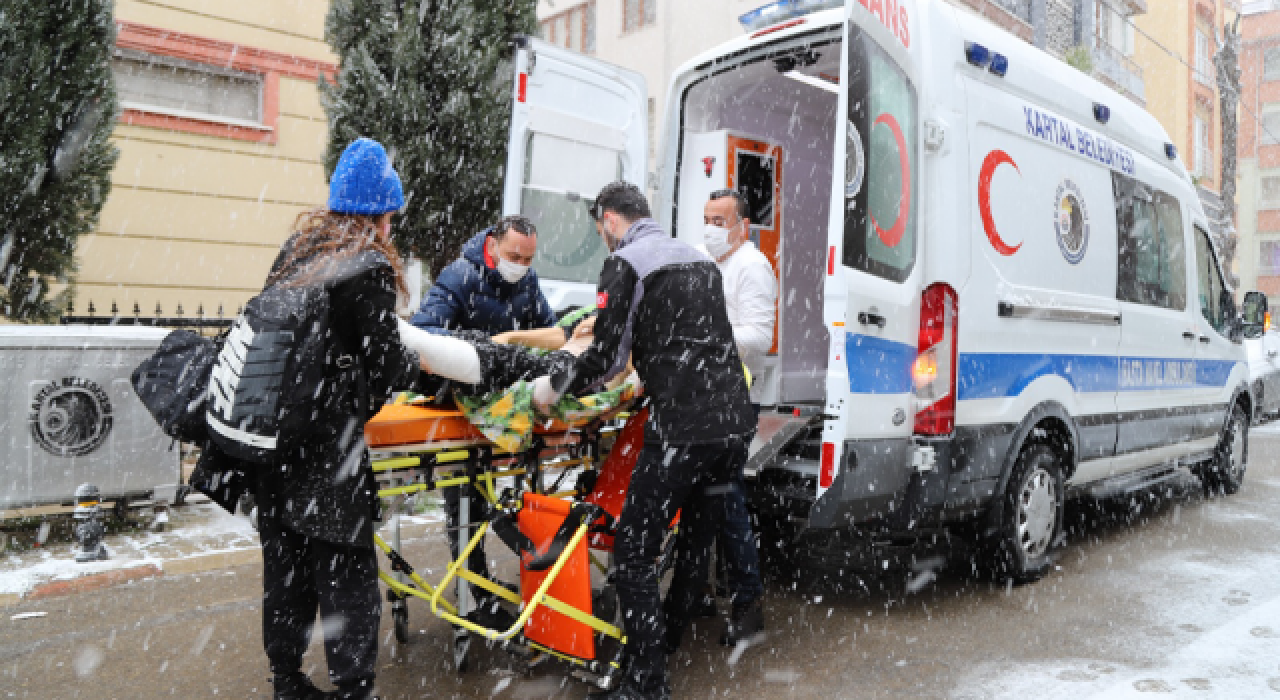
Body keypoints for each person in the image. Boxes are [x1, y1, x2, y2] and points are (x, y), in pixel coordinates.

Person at [529, 182, 756, 700]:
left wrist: (555, 386)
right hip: (730, 422)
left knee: (633, 553)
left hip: (681, 427)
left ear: (609, 219)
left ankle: (646, 683)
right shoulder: (697, 260)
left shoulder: (627, 262)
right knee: (695, 545)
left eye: (601, 229)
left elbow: (608, 358)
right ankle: (664, 643)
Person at [256, 138, 418, 700]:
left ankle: (287, 680)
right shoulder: (368, 265)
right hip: (330, 450)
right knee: (348, 579)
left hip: (278, 443)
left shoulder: (297, 252)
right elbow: (387, 363)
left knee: (288, 573)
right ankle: (354, 689)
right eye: (390, 214)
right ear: (380, 212)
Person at [696, 189, 772, 643]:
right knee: (706, 495)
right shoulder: (712, 263)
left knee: (726, 497)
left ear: (741, 225)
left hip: (737, 399)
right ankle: (702, 589)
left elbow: (760, 337)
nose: (711, 227)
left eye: (720, 220)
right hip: (708, 397)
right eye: (707, 218)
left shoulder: (752, 267)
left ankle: (748, 604)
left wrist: (705, 338)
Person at [409, 215, 556, 335]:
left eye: (528, 259)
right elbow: (423, 328)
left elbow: (549, 327)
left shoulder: (528, 280)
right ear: (492, 246)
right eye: (514, 257)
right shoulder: (460, 275)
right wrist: (477, 346)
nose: (520, 265)